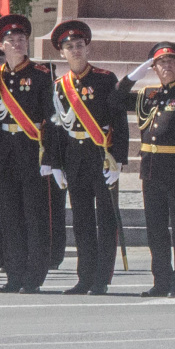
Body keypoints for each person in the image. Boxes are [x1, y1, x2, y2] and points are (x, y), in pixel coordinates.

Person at [116, 42, 175, 296]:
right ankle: (161, 281)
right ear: (154, 68)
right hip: (151, 170)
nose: (166, 66)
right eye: (160, 63)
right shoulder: (148, 95)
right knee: (155, 229)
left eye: (171, 62)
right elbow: (115, 98)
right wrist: (135, 74)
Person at [47, 20, 127, 295]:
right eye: (69, 47)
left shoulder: (105, 80)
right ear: (62, 53)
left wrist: (118, 160)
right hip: (75, 158)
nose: (75, 50)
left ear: (87, 48)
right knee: (81, 220)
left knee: (105, 218)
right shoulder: (59, 86)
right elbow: (57, 129)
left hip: (101, 157)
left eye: (79, 45)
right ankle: (84, 276)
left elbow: (119, 121)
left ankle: (102, 277)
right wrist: (56, 164)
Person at [0, 14, 55, 293]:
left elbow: (51, 119)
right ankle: (14, 275)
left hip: (32, 152)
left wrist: (49, 156)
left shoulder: (41, 74)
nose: (17, 44)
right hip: (5, 154)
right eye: (11, 40)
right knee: (10, 217)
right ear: (1, 46)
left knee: (34, 216)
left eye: (21, 39)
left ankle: (34, 277)